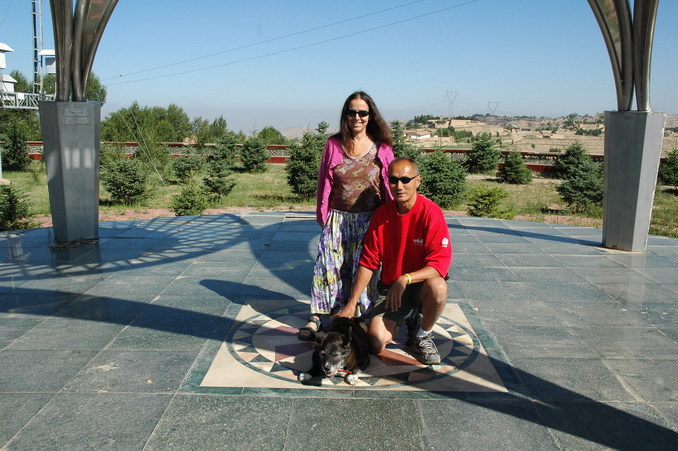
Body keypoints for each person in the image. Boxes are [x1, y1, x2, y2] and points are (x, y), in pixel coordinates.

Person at [298, 91, 395, 341]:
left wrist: (391, 219)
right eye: (352, 112)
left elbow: (390, 186)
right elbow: (325, 181)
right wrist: (323, 215)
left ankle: (358, 316)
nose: (357, 117)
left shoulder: (382, 148)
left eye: (362, 112)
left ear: (370, 115)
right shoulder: (334, 144)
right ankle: (317, 317)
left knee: (363, 269)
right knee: (327, 267)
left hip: (370, 220)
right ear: (346, 114)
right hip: (338, 218)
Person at [336, 158, 452, 364]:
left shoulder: (431, 213)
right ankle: (406, 317)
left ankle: (423, 334)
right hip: (391, 289)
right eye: (393, 180)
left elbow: (438, 265)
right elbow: (369, 261)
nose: (399, 186)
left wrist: (405, 279)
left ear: (418, 181)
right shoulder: (382, 215)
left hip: (420, 284)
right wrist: (351, 304)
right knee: (376, 343)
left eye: (406, 179)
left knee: (438, 287)